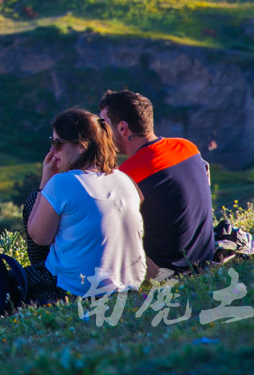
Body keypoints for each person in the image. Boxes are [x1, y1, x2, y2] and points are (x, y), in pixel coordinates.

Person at [22, 108, 146, 301]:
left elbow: (39, 237)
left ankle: (47, 275)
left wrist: (45, 181)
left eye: (57, 143)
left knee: (33, 203)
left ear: (81, 147)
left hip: (79, 290)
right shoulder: (124, 179)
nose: (52, 151)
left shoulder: (62, 182)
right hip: (131, 283)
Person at [98, 90, 216, 273]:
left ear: (122, 128)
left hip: (166, 270)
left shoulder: (127, 174)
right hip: (205, 255)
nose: (100, 132)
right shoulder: (187, 147)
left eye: (103, 124)